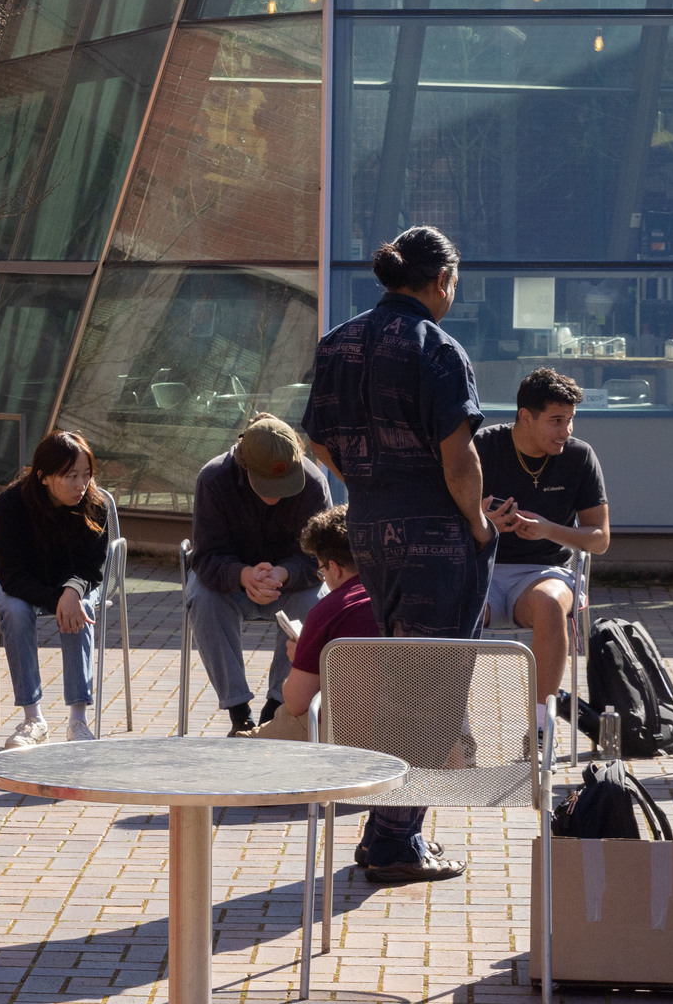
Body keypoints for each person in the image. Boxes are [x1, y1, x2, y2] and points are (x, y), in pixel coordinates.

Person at [303, 224, 494, 885]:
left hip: (369, 523)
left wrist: (364, 484)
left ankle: (387, 829)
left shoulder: (337, 341)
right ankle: (392, 842)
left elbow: (318, 445)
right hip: (435, 531)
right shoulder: (437, 348)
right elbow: (459, 456)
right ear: (441, 281)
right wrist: (473, 522)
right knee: (431, 688)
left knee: (399, 677)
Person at [475, 368, 612, 716]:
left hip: (545, 572)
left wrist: (549, 529)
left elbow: (600, 539)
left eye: (570, 420)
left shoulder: (579, 456)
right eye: (556, 421)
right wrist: (482, 521)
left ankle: (538, 729)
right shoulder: (482, 448)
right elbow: (440, 515)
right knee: (454, 606)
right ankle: (457, 729)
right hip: (480, 568)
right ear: (525, 416)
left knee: (551, 605)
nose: (565, 431)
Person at [185, 414, 333, 734]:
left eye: (284, 484)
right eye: (267, 484)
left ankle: (276, 707)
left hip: (288, 585)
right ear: (244, 465)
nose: (275, 495)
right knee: (200, 596)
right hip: (230, 584)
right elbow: (206, 556)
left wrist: (283, 573)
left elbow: (320, 557)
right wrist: (243, 575)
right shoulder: (212, 478)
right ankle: (239, 711)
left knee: (318, 601)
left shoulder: (314, 482)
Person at [0, 431, 113, 747]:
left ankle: (78, 721)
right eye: (70, 476)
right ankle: (33, 720)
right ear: (43, 476)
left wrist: (71, 593)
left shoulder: (94, 504)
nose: (81, 485)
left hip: (74, 586)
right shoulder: (11, 504)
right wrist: (60, 599)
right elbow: (11, 575)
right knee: (15, 610)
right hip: (17, 585)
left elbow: (91, 568)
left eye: (86, 475)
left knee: (80, 611)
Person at [252, 507, 379, 741]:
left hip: (341, 736)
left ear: (334, 567)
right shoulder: (402, 599)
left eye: (321, 572)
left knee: (240, 748)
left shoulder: (330, 611)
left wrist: (298, 656)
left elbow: (297, 702)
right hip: (408, 734)